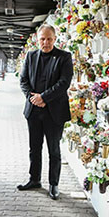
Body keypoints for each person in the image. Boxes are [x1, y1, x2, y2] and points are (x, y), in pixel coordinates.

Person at [18, 24, 73, 200]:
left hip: (54, 112)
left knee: (54, 150)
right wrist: (33, 98)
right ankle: (34, 179)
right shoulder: (31, 55)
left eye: (49, 39)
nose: (46, 42)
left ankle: (54, 184)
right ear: (37, 39)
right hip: (34, 110)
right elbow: (23, 80)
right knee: (34, 148)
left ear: (55, 39)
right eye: (42, 39)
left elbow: (64, 82)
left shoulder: (64, 57)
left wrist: (44, 97)